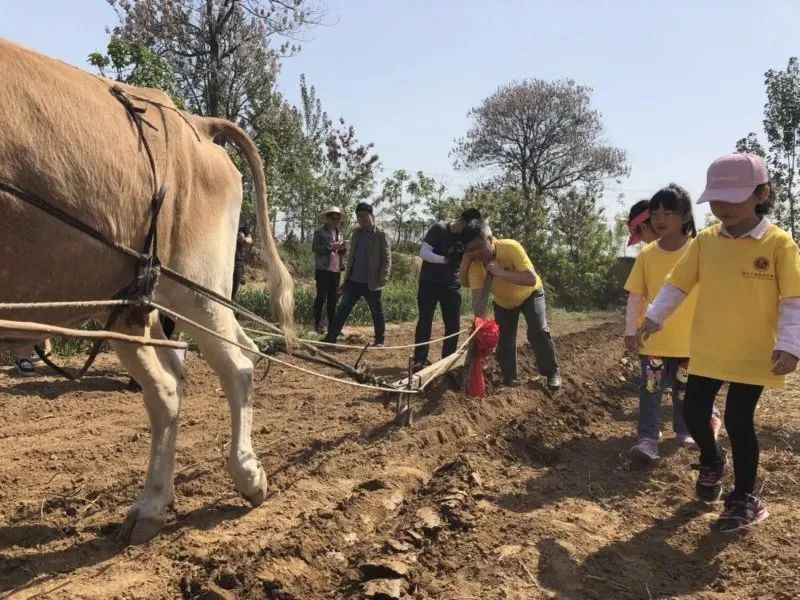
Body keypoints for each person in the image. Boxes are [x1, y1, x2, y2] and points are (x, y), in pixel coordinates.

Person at [639, 153, 800, 532]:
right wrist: (654, 316)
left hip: (752, 352)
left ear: (762, 194)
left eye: (734, 198)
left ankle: (744, 498)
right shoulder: (706, 242)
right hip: (709, 348)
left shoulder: (779, 245)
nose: (723, 207)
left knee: (738, 420)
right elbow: (677, 283)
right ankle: (712, 460)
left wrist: (791, 344)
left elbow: (793, 300)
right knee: (695, 412)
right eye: (717, 200)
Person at [624, 186, 721, 461]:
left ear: (686, 216)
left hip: (689, 343)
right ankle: (647, 438)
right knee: (651, 390)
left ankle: (683, 431)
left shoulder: (699, 251)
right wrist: (631, 330)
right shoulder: (647, 255)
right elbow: (636, 296)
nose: (660, 219)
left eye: (668, 212)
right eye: (655, 213)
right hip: (653, 342)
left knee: (683, 390)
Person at [460, 219, 561, 390]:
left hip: (530, 294)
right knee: (504, 343)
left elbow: (531, 279)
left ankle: (552, 372)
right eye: (471, 250)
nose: (477, 253)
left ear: (490, 239)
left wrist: (500, 273)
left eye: (479, 247)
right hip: (503, 303)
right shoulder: (475, 265)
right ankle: (510, 380)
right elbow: (478, 302)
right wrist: (479, 329)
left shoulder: (510, 247)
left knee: (538, 331)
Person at [412, 208, 481, 372]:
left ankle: (447, 361)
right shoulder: (439, 228)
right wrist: (444, 259)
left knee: (453, 324)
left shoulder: (467, 236)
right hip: (429, 282)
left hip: (451, 283)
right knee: (425, 320)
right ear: (462, 221)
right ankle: (419, 360)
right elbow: (423, 252)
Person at [323, 202, 391, 347]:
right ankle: (331, 337)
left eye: (364, 216)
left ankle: (380, 340)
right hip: (353, 280)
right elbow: (352, 256)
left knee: (376, 312)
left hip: (372, 282)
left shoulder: (380, 234)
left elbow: (387, 259)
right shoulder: (356, 233)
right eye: (359, 217)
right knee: (343, 309)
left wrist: (383, 278)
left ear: (371, 215)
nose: (361, 219)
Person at [312, 206, 348, 335]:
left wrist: (343, 249)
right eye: (333, 217)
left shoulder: (340, 233)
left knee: (333, 299)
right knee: (321, 297)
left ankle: (333, 326)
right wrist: (330, 247)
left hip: (336, 270)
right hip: (323, 269)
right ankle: (318, 325)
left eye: (337, 217)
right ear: (327, 218)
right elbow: (315, 248)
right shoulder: (320, 232)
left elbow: (341, 252)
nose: (336, 219)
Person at [232, 221, 253, 300]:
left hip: (237, 263)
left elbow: (250, 239)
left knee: (232, 295)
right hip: (221, 261)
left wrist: (244, 240)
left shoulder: (242, 219)